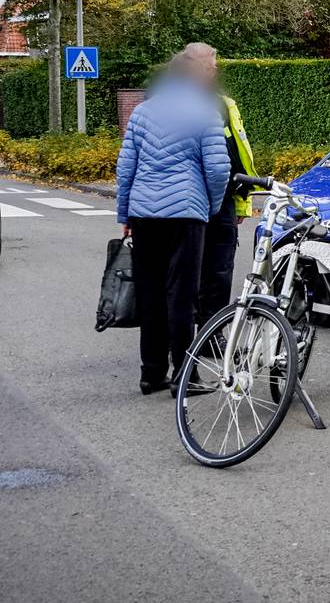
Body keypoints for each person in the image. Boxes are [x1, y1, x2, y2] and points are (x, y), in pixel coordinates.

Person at [115, 43, 230, 396]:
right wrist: (209, 208)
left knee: (150, 294)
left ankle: (151, 374)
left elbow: (126, 169)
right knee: (182, 296)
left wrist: (125, 214)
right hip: (186, 214)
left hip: (145, 214)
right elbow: (217, 169)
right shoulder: (205, 112)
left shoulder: (143, 112)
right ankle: (185, 374)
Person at [197, 60, 257, 329]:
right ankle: (184, 337)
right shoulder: (167, 106)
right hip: (191, 201)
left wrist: (243, 203)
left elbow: (239, 155)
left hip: (223, 201)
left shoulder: (225, 104)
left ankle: (211, 333)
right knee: (190, 271)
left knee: (220, 271)